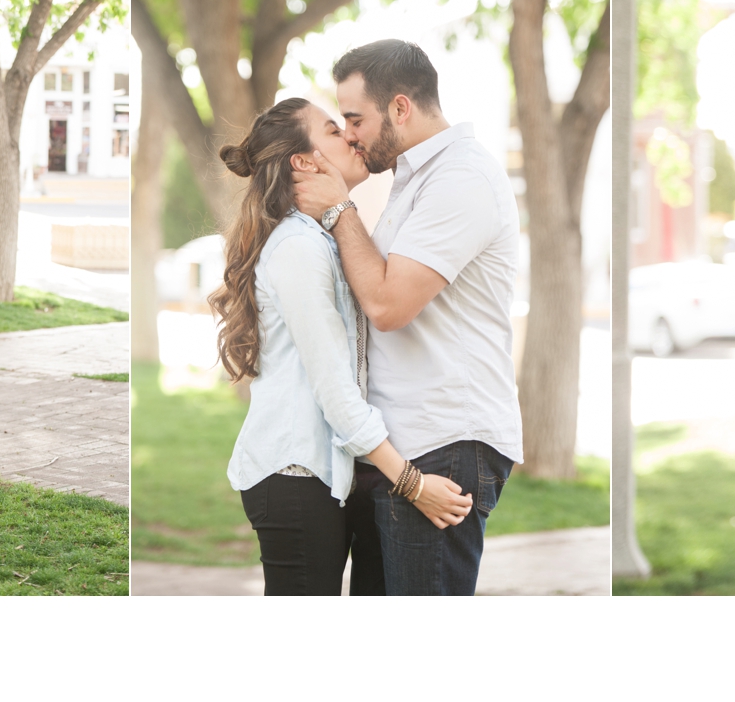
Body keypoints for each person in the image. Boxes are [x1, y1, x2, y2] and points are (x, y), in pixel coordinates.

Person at [209, 97, 474, 596]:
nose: (351, 137)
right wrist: (412, 483)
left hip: (322, 480)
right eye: (334, 131)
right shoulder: (299, 247)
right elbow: (335, 389)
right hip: (293, 476)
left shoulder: (323, 239)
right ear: (305, 162)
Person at [292, 40, 522, 595]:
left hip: (445, 441)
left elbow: (389, 305)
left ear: (400, 108)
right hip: (406, 446)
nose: (348, 134)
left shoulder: (460, 178)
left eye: (354, 119)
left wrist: (338, 210)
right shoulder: (418, 175)